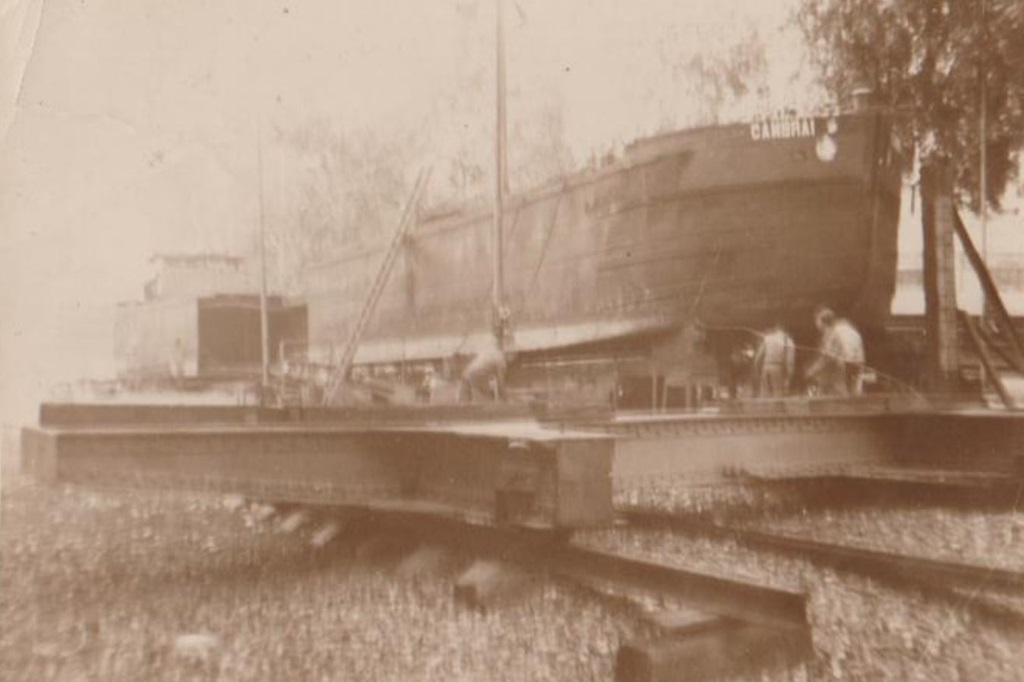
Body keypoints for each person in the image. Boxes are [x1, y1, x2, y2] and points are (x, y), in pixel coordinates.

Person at [805, 307, 865, 396]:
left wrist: (813, 370)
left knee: (837, 394)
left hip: (839, 369)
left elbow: (827, 357)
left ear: (822, 322)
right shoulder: (839, 330)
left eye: (817, 320)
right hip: (852, 365)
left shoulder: (831, 333)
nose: (816, 324)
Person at [754, 323, 795, 398]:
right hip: (777, 368)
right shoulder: (787, 340)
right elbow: (790, 361)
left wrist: (758, 370)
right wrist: (788, 378)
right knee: (778, 395)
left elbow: (758, 356)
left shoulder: (768, 338)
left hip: (765, 367)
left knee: (764, 395)